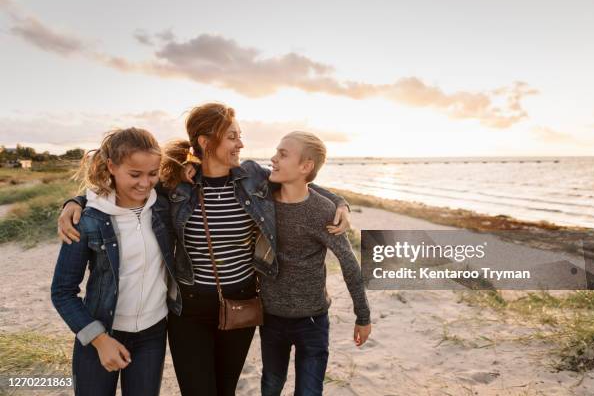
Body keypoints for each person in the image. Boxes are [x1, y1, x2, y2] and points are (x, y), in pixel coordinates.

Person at [57, 103, 352, 396]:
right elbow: (120, 188)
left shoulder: (252, 177)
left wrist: (340, 203)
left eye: (240, 135)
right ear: (205, 142)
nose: (241, 143)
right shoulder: (176, 183)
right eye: (232, 136)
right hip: (189, 310)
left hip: (241, 304)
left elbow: (299, 183)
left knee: (225, 390)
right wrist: (77, 202)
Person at [51, 128, 178, 396]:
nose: (145, 183)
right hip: (101, 332)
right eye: (134, 174)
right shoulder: (87, 220)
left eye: (153, 173)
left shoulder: (163, 207)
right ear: (112, 166)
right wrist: (99, 340)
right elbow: (62, 292)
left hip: (152, 335)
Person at [259, 131, 371, 396]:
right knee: (271, 385)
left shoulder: (322, 211)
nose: (273, 159)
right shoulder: (262, 199)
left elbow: (349, 264)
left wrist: (363, 316)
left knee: (309, 392)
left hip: (312, 321)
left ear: (306, 166)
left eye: (283, 154)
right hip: (271, 318)